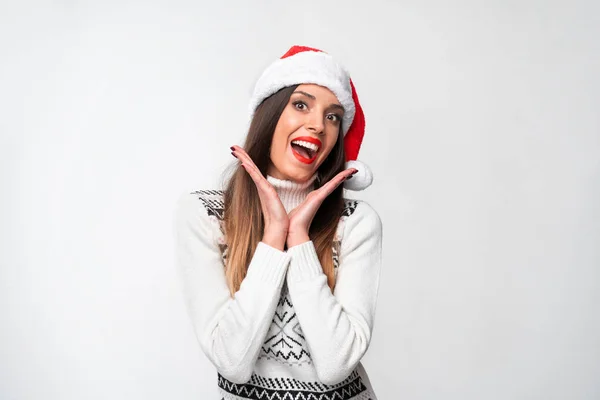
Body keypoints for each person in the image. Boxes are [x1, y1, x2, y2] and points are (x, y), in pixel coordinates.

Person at [174, 45, 383, 400]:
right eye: (301, 104)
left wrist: (299, 238)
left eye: (333, 117)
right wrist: (273, 238)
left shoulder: (356, 222)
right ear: (269, 114)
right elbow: (232, 362)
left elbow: (337, 364)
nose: (318, 124)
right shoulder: (205, 215)